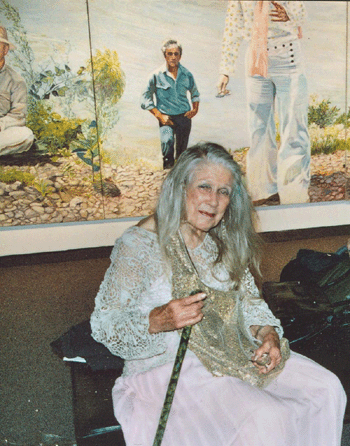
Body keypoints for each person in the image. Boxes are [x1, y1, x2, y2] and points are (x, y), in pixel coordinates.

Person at [91, 142, 346, 446]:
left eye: (223, 192)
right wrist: (158, 320)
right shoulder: (140, 244)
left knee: (326, 388)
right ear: (180, 188)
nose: (213, 201)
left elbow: (249, 302)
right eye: (204, 187)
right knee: (266, 416)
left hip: (233, 350)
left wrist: (267, 334)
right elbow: (104, 324)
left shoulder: (221, 238)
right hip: (172, 366)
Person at [217, 1, 310, 206]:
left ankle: (294, 194)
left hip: (288, 57)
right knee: (258, 128)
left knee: (294, 127)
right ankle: (263, 191)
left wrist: (289, 14)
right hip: (256, 57)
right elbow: (232, 26)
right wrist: (225, 70)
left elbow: (302, 14)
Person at [141, 39, 200, 169]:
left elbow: (195, 93)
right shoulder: (156, 75)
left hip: (184, 117)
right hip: (166, 117)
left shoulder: (187, 74)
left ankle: (179, 180)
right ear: (165, 55)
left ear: (180, 56)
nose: (173, 57)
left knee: (182, 153)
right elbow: (145, 99)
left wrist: (195, 109)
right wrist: (159, 115)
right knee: (167, 144)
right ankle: (167, 175)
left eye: (176, 54)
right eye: (170, 54)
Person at [0, 26, 34, 157]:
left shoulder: (16, 81)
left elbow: (18, 117)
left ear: (5, 50)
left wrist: (1, 124)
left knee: (26, 135)